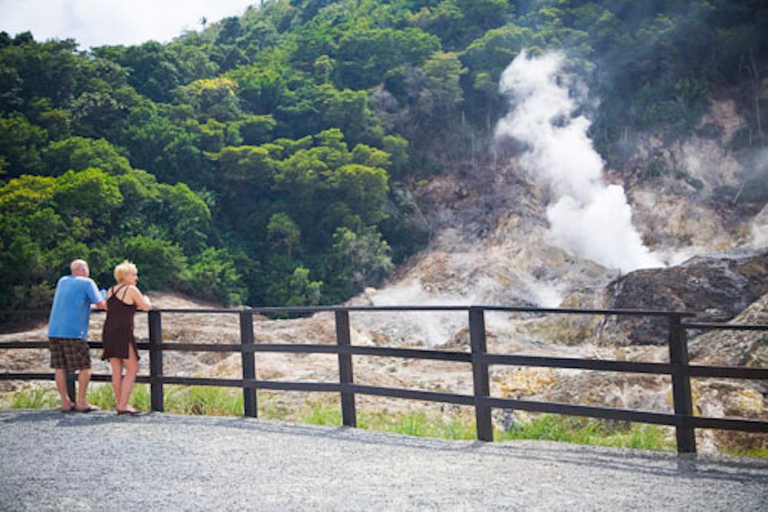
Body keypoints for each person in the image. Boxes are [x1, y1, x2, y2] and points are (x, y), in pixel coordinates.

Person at [48, 259, 107, 413]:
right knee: (84, 367)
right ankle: (81, 402)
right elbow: (101, 304)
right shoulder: (87, 283)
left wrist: (89, 305)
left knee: (60, 367)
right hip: (74, 332)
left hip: (54, 330)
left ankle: (65, 402)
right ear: (83, 269)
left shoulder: (62, 281)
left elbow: (74, 301)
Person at [102, 260, 151, 415]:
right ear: (124, 276)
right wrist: (147, 300)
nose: (136, 278)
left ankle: (120, 403)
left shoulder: (111, 290)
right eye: (133, 274)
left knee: (116, 369)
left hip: (109, 331)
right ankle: (123, 405)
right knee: (132, 368)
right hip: (123, 332)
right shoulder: (131, 289)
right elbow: (145, 307)